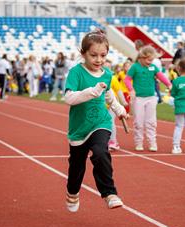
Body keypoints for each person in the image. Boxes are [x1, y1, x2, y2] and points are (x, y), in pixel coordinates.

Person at [63, 30, 128, 212]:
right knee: (76, 166)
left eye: (103, 55)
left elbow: (109, 95)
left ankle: (109, 193)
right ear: (83, 53)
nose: (99, 60)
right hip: (79, 128)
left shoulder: (107, 74)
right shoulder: (76, 72)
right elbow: (69, 98)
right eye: (93, 55)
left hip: (101, 122)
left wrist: (119, 110)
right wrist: (92, 91)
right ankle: (72, 192)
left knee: (100, 152)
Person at [124, 45, 172, 152]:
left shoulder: (153, 67)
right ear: (142, 57)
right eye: (148, 60)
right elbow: (127, 79)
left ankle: (152, 143)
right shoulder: (135, 67)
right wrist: (131, 89)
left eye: (152, 60)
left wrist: (169, 84)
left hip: (151, 98)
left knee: (151, 122)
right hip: (139, 99)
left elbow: (161, 76)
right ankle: (139, 142)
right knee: (139, 122)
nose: (150, 62)